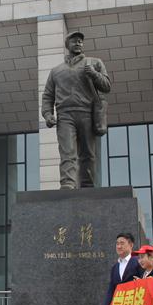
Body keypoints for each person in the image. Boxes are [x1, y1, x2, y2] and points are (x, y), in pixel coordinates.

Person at [41, 30, 111, 189]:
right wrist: (47, 114)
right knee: (67, 152)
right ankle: (68, 183)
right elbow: (48, 95)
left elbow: (107, 86)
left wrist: (94, 74)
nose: (78, 43)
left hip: (86, 113)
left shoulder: (94, 63)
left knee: (88, 153)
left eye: (80, 41)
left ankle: (87, 184)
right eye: (74, 41)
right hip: (65, 115)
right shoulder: (56, 71)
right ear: (67, 45)